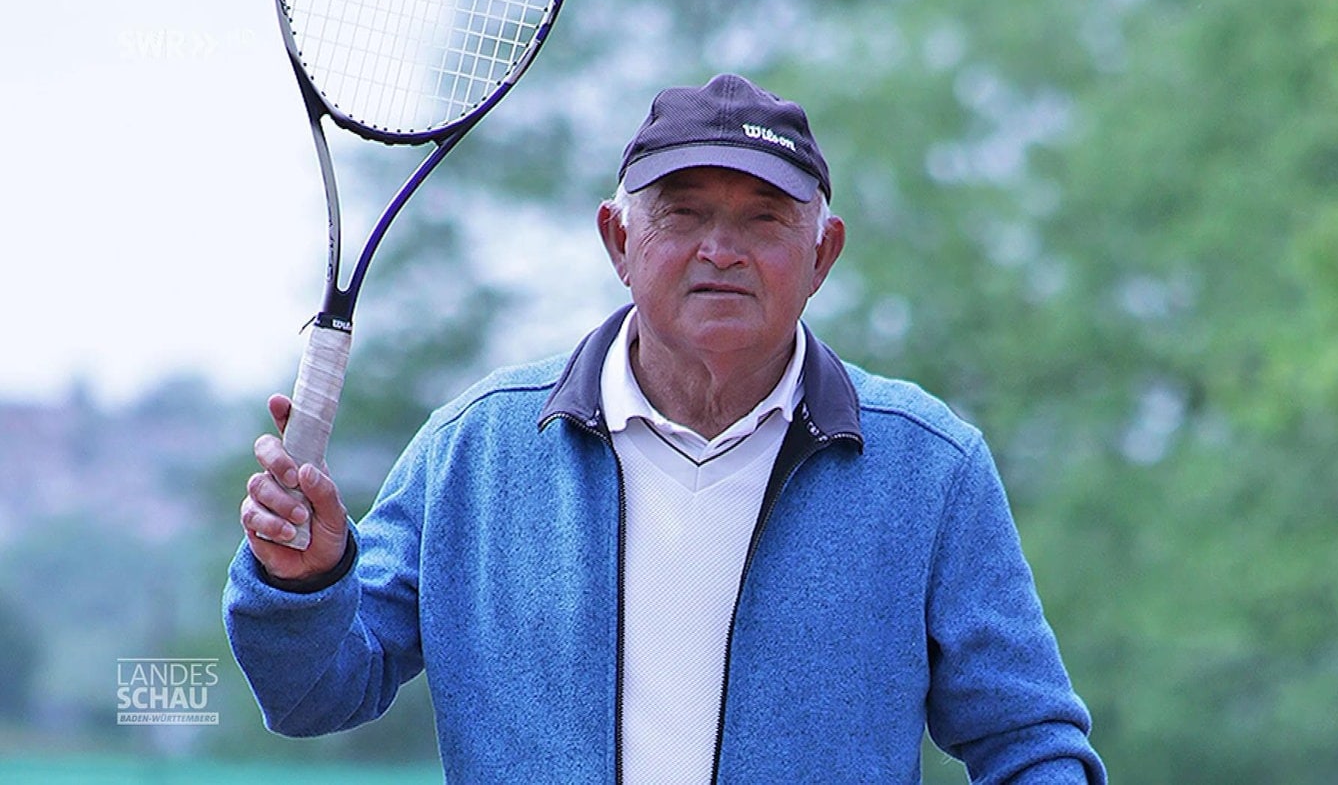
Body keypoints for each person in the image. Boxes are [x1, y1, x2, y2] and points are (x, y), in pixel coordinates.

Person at [225, 73, 1106, 784]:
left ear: (822, 255)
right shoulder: (476, 451)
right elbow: (313, 693)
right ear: (618, 241)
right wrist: (301, 583)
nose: (721, 250)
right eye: (682, 215)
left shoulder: (928, 467)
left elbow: (1029, 740)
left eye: (763, 219)